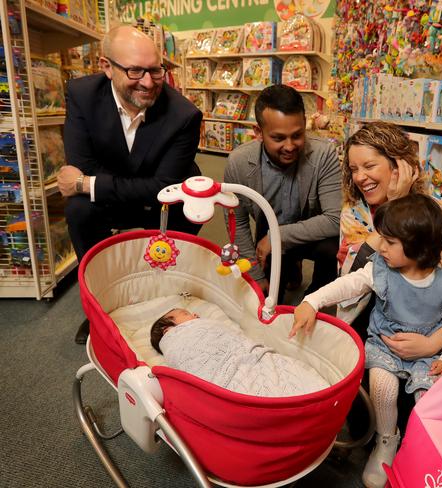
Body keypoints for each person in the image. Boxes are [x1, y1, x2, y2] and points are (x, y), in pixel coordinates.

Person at [290, 194, 442, 488]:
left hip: (428, 355)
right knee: (382, 385)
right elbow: (349, 284)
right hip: (384, 346)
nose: (381, 246)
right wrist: (312, 301)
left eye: (389, 241)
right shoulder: (382, 270)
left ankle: (419, 450)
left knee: (430, 400)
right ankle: (386, 440)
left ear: (418, 247)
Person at [57, 26, 203, 344]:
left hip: (163, 199)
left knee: (193, 209)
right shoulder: (82, 95)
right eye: (135, 70)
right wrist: (93, 183)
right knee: (79, 210)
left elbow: (163, 185)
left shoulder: (185, 115)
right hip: (115, 196)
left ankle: (167, 294)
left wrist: (88, 183)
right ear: (106, 66)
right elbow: (83, 162)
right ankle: (99, 306)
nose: (148, 82)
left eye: (155, 70)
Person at [223, 84, 340, 303]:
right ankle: (289, 266)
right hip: (266, 240)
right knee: (267, 300)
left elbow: (335, 219)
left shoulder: (324, 154)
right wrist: (256, 276)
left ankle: (313, 299)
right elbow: (236, 224)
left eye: (297, 135)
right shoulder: (238, 162)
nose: (289, 146)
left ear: (305, 124)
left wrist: (279, 236)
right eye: (278, 138)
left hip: (308, 236)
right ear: (258, 133)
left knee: (332, 249)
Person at [151, 308, 329, 397]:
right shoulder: (177, 343)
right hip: (222, 380)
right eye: (185, 313)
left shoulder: (205, 327)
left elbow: (231, 339)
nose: (195, 315)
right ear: (168, 331)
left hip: (251, 357)